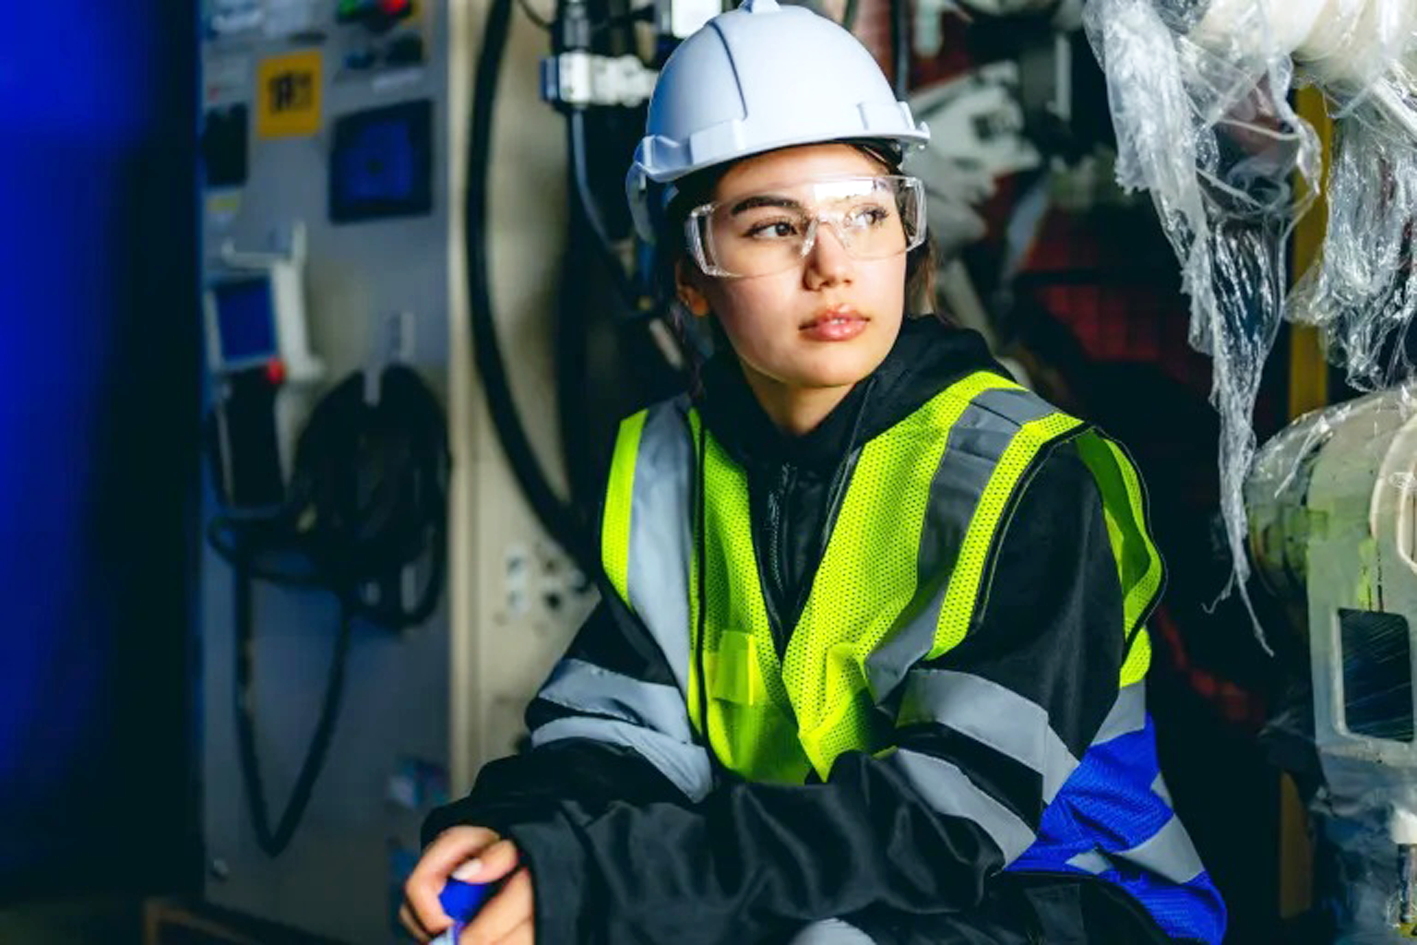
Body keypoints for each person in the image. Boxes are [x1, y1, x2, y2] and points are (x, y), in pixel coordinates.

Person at [400, 1, 1227, 942]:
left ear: (907, 237)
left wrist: (608, 879)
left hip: (1067, 901)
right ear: (688, 274)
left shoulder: (1028, 477)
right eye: (769, 226)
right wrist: (519, 834)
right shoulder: (675, 466)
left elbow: (945, 820)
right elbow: (616, 735)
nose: (831, 264)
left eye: (866, 214)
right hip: (825, 876)